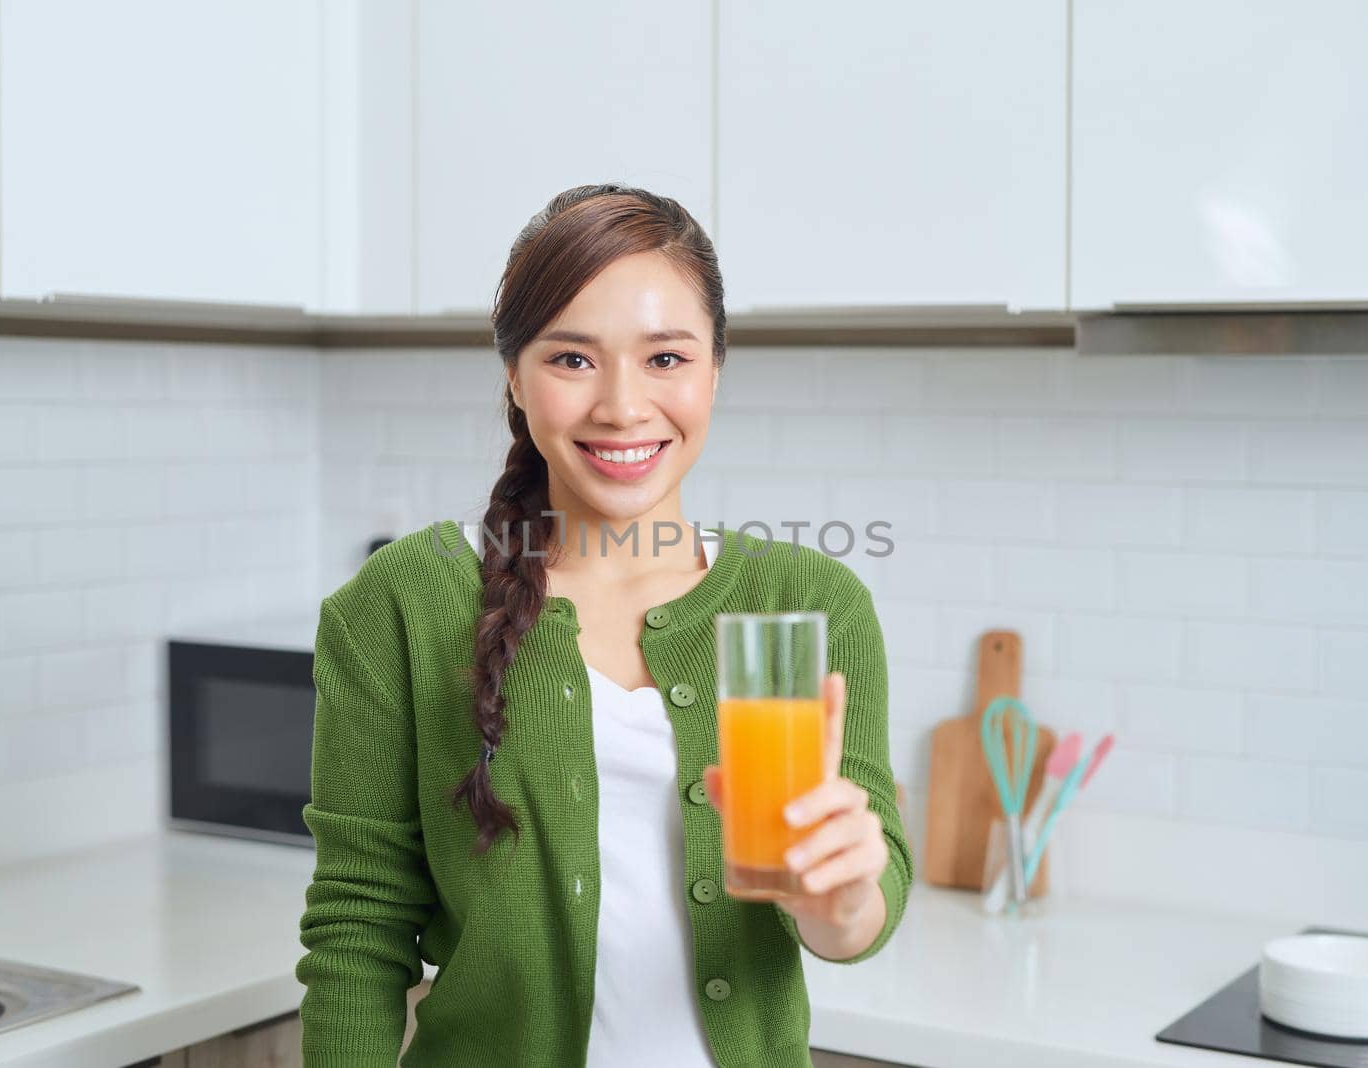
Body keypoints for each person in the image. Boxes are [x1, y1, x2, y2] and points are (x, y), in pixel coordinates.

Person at [295, 183, 913, 1067]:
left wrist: (841, 898)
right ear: (513, 373)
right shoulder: (403, 603)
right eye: (572, 359)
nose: (623, 406)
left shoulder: (808, 601)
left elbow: (860, 907)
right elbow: (358, 929)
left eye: (666, 358)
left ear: (715, 369)